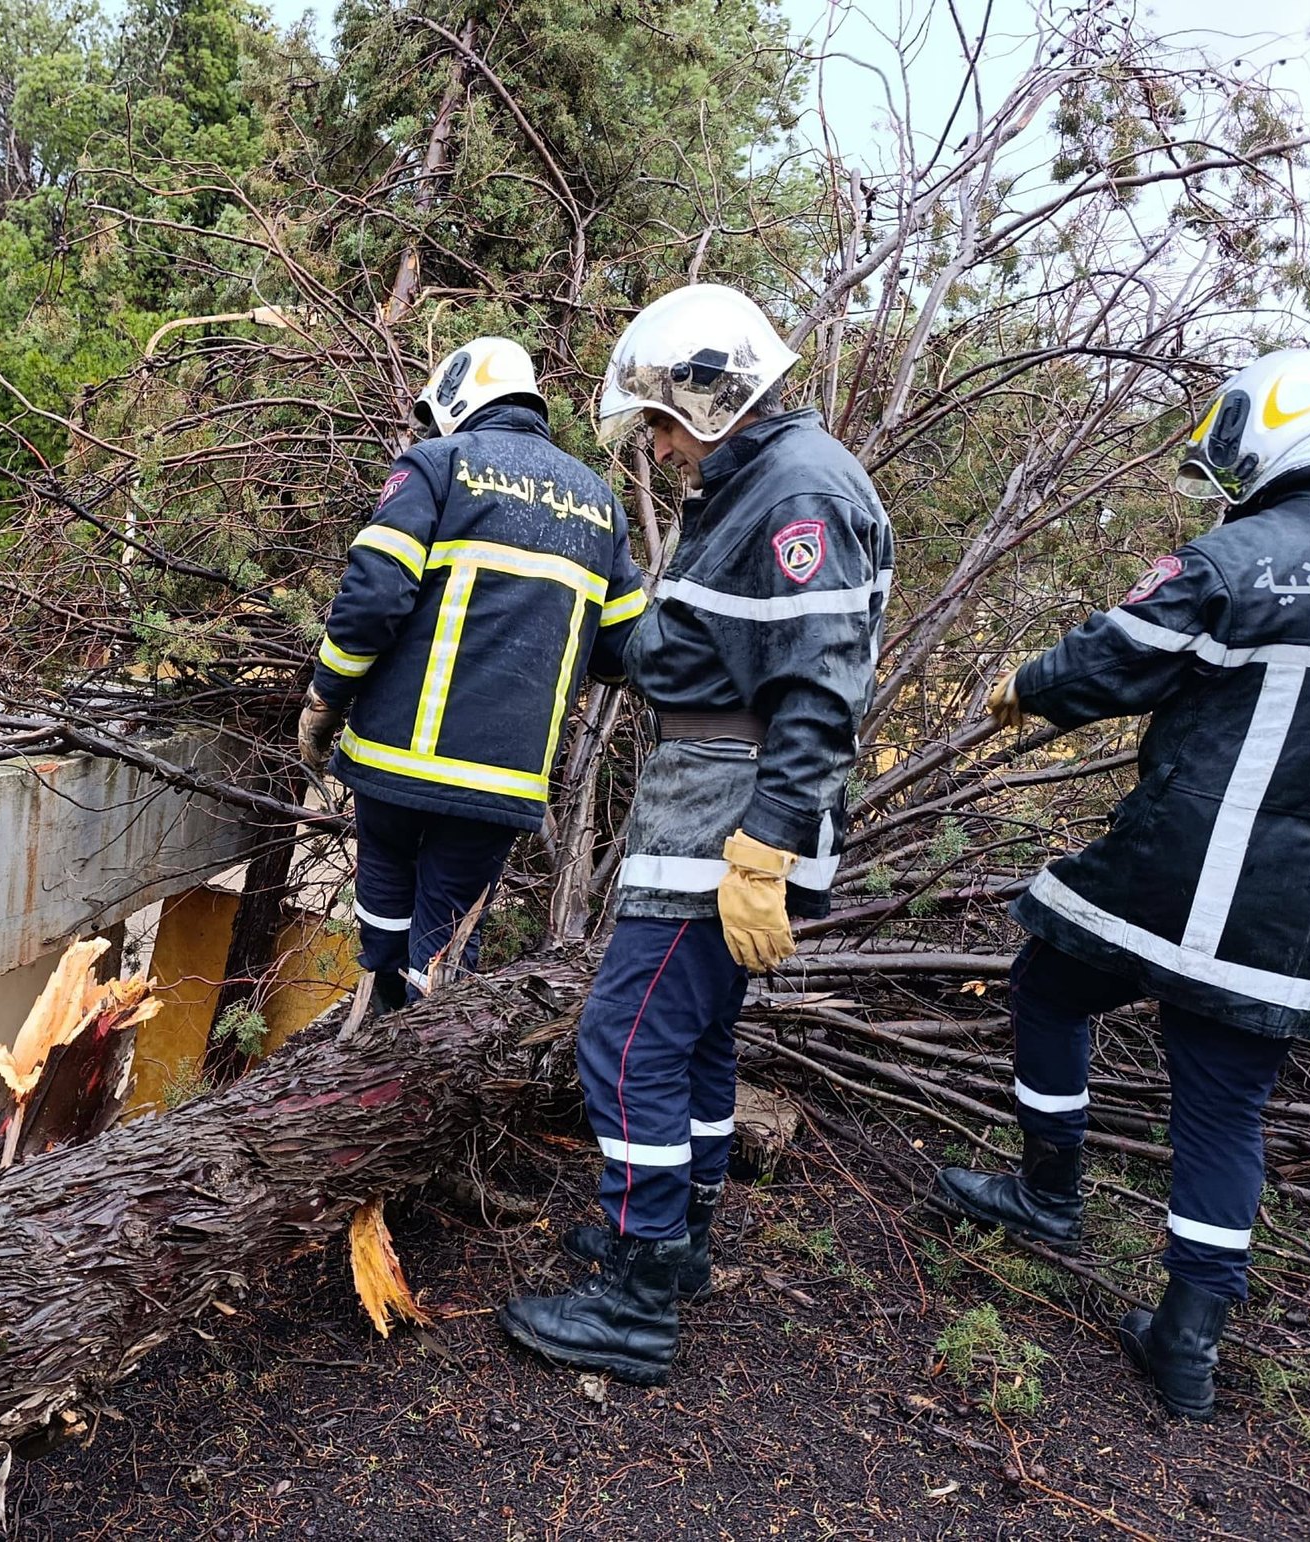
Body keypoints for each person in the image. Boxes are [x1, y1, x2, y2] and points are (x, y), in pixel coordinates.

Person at [935, 348, 1310, 1420]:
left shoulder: (1239, 555)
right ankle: (1186, 1345)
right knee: (1225, 1110)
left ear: (1268, 434)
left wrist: (1015, 685)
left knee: (1045, 982)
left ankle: (1046, 1194)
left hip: (1183, 869)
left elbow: (1104, 665)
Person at [499, 285, 894, 1385]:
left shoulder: (797, 491)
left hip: (730, 809)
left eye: (662, 425)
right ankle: (678, 1247)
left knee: (623, 1043)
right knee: (697, 1040)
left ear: (711, 397)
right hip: (719, 797)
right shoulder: (761, 482)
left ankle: (635, 1297)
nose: (662, 450)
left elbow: (820, 691)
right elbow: (688, 647)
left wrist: (762, 849)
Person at [299, 337, 646, 1012]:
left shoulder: (437, 464)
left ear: (457, 398)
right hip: (501, 781)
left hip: (394, 761)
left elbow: (372, 599)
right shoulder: (600, 504)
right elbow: (624, 650)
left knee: (383, 927)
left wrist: (324, 700)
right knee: (444, 953)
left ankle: (374, 1040)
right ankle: (415, 1059)